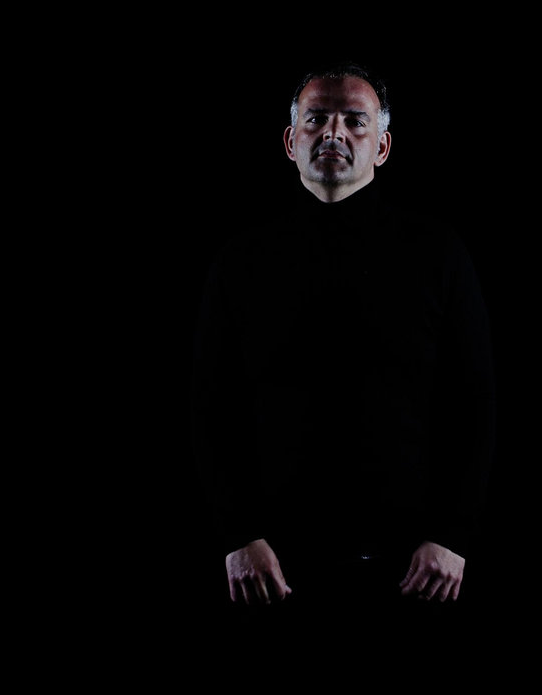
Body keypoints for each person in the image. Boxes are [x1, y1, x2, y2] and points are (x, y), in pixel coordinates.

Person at [190, 61, 496, 635]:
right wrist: (238, 535)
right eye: (316, 119)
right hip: (269, 571)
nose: (334, 132)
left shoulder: (438, 254)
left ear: (382, 146)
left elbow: (474, 405)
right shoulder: (241, 261)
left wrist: (452, 535)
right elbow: (210, 409)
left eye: (355, 121)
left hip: (415, 570)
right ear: (291, 141)